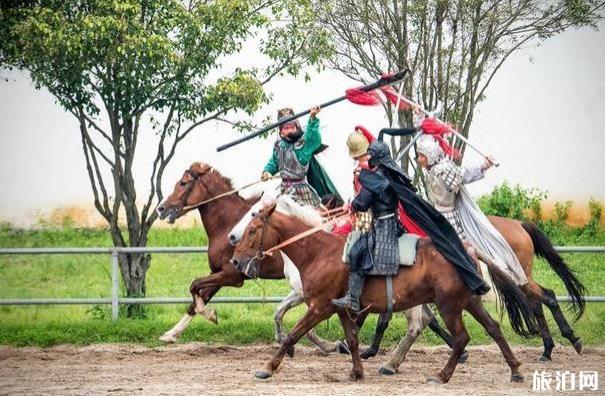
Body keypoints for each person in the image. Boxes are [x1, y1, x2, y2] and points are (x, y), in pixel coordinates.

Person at [332, 139, 490, 313]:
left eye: (370, 154)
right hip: (394, 224)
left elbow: (362, 203)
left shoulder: (376, 179)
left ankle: (353, 298)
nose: (367, 156)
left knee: (356, 250)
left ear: (376, 157)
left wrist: (351, 206)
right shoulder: (391, 174)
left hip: (383, 227)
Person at [416, 133, 527, 285]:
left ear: (430, 156)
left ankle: (474, 277)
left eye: (421, 156)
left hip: (447, 217)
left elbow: (464, 175)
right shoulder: (432, 169)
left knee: (460, 248)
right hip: (436, 215)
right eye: (419, 155)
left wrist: (483, 166)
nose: (418, 159)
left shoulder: (443, 169)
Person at [261, 106, 341, 207]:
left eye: (292, 127)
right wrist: (267, 171)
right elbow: (274, 162)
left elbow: (312, 137)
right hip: (283, 189)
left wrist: (312, 118)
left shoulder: (303, 144)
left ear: (297, 127)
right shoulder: (278, 146)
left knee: (312, 217)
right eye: (286, 128)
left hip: (301, 191)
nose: (289, 130)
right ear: (281, 131)